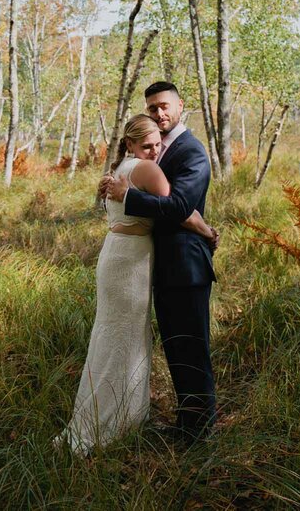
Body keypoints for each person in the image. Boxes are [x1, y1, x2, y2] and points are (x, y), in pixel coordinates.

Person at [58, 115, 216, 455]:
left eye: (158, 143)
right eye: (147, 145)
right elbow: (179, 211)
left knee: (113, 336)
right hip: (131, 263)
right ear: (130, 144)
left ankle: (106, 415)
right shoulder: (145, 169)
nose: (155, 150)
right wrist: (207, 231)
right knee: (127, 341)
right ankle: (116, 421)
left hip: (115, 256)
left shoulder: (118, 170)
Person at [101, 81, 218, 444]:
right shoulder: (157, 149)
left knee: (190, 345)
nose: (159, 113)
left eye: (164, 106)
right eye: (152, 108)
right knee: (176, 345)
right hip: (160, 265)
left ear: (181, 105)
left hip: (185, 266)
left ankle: (198, 432)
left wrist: (130, 197)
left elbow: (181, 207)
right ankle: (188, 423)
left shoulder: (192, 152)